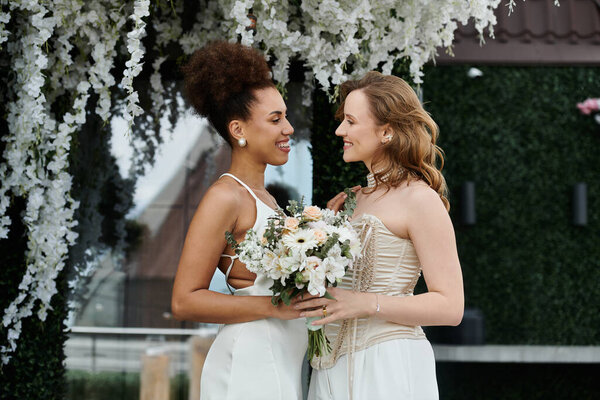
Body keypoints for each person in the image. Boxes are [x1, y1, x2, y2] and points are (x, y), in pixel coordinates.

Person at [295, 71, 464, 400]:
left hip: (387, 364)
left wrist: (364, 303)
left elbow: (451, 306)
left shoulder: (420, 199)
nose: (339, 130)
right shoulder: (352, 200)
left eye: (351, 121)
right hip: (331, 368)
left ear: (386, 131)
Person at [171, 41, 307, 400]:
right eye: (275, 119)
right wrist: (275, 307)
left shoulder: (266, 199)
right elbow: (185, 301)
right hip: (251, 360)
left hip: (280, 355)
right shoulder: (225, 197)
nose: (289, 128)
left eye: (286, 116)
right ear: (239, 130)